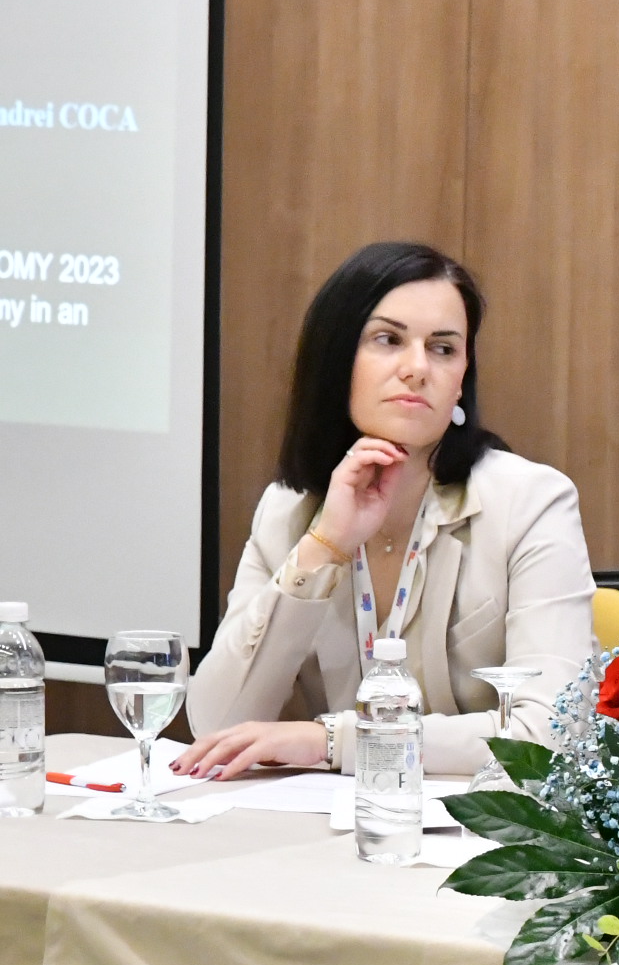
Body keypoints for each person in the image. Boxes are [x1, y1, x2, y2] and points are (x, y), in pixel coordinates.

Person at [183, 243, 596, 779]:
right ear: (337, 362)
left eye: (443, 348)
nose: (418, 368)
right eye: (389, 340)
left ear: (462, 378)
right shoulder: (289, 512)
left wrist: (332, 741)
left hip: (477, 817)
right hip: (338, 819)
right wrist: (326, 546)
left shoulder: (531, 503)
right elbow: (218, 723)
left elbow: (553, 733)